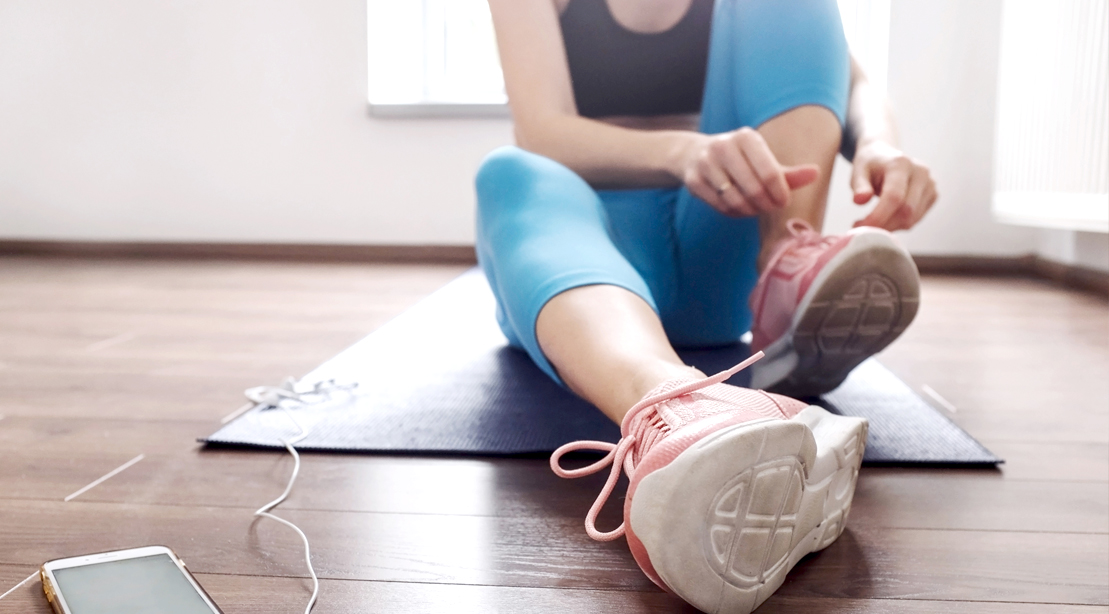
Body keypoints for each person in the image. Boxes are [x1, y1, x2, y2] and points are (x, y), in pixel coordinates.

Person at [476, 0, 937, 612]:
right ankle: (681, 404)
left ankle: (786, 273)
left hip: (723, 245)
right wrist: (683, 151)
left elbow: (851, 80)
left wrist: (880, 145)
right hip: (584, 255)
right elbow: (541, 130)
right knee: (510, 170)